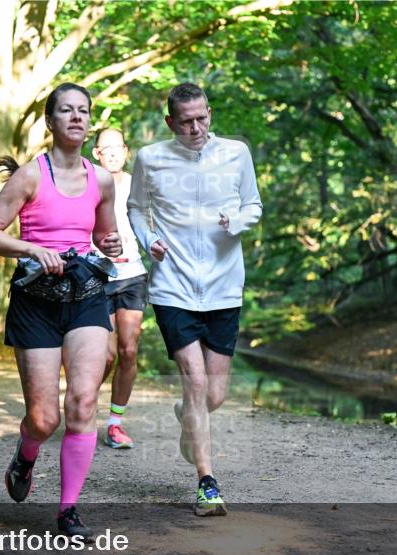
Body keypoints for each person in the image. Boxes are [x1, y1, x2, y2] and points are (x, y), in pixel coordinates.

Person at [0, 83, 122, 538]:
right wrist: (34, 250)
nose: (76, 118)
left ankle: (68, 510)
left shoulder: (102, 179)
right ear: (50, 121)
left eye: (83, 111)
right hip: (35, 303)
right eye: (66, 111)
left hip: (85, 298)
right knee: (45, 419)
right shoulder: (31, 176)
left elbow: (104, 236)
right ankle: (26, 454)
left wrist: (109, 243)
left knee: (82, 403)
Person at [127, 83, 262, 517]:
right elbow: (134, 208)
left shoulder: (236, 152)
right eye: (186, 121)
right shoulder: (151, 159)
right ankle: (207, 482)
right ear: (170, 122)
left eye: (202, 117)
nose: (196, 127)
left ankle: (187, 414)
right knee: (198, 382)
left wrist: (236, 221)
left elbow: (254, 206)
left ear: (210, 113)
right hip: (173, 286)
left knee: (214, 395)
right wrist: (149, 241)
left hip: (224, 286)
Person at [91, 128, 147, 450]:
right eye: (105, 148)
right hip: (97, 276)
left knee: (128, 350)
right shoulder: (86, 183)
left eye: (117, 147)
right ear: (96, 153)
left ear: (126, 151)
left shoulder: (139, 186)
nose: (112, 153)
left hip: (132, 274)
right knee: (106, 356)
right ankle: (82, 406)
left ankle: (114, 424)